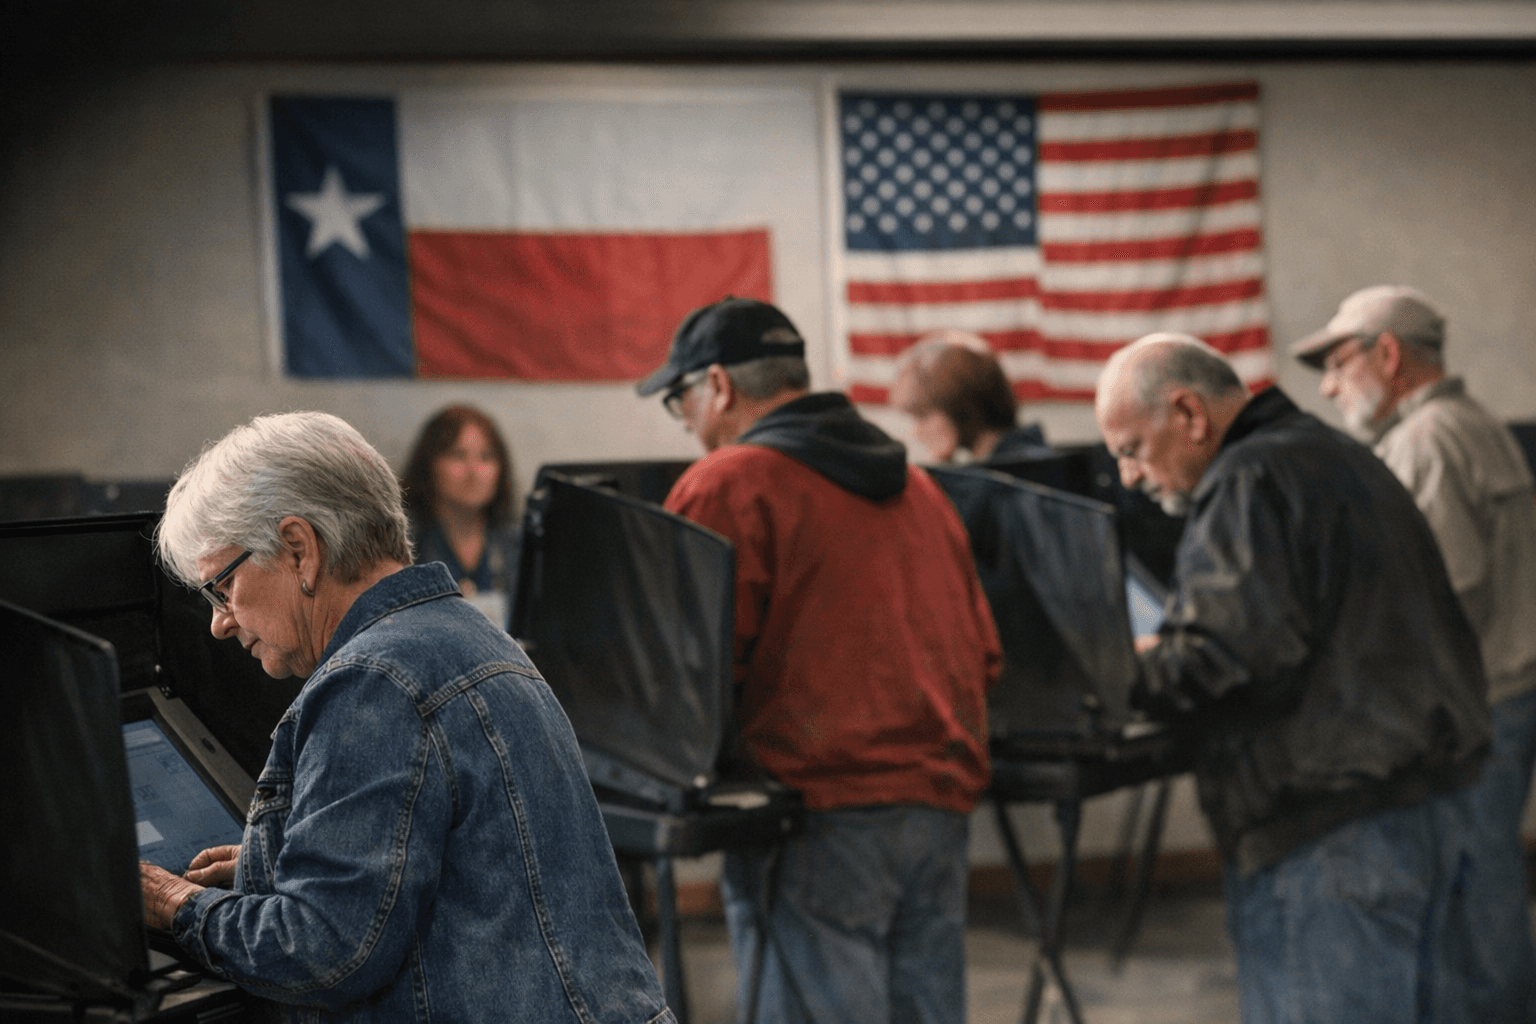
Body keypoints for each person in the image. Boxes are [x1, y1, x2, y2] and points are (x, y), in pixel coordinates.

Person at [138, 411, 673, 1024]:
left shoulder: (373, 682)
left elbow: (320, 951)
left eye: (222, 587)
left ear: (299, 550)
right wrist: (288, 860)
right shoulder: (467, 637)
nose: (219, 622)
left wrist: (171, 902)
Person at [1095, 334, 1504, 1024]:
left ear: (1189, 414)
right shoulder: (1333, 454)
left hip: (1329, 835)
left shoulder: (1247, 480)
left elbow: (1225, 662)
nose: (1130, 477)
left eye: (1132, 449)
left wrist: (1108, 664)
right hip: (1422, 809)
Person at [635, 297, 1001, 1024]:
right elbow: (984, 656)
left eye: (681, 401)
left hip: (813, 824)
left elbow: (684, 677)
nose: (687, 423)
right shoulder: (924, 491)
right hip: (937, 814)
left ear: (719, 387)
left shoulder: (727, 483)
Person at [1292, 284, 1536, 1016]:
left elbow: (1439, 599)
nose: (1329, 387)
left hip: (1472, 709)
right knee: (1486, 888)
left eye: (1338, 363)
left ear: (1389, 354)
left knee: (1474, 904)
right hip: (1504, 694)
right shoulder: (1473, 423)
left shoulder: (1424, 442)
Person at [401, 404, 520, 629]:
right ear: (429, 464)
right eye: (458, 455)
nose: (473, 471)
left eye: (486, 457)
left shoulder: (520, 546)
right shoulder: (401, 546)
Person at [888, 329, 1052, 464]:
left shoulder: (1014, 475)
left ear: (960, 407)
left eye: (922, 416)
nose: (916, 433)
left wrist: (943, 473)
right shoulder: (1024, 459)